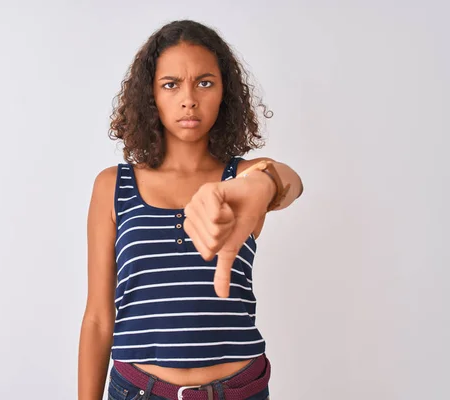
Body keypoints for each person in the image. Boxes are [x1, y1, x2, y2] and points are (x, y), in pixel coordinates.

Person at [78, 19, 304, 400]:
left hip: (240, 391)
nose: (189, 99)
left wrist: (262, 184)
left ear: (224, 92)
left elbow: (290, 183)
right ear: (150, 95)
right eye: (171, 84)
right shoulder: (113, 186)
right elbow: (99, 318)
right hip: (138, 392)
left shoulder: (243, 177)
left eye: (204, 82)